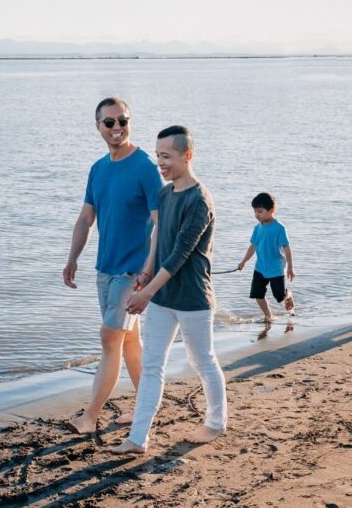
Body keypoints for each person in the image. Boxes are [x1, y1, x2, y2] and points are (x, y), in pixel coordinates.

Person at [111, 125, 227, 454]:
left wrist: (145, 294)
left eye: (166, 156)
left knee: (202, 360)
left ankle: (216, 423)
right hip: (162, 296)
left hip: (192, 298)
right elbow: (158, 239)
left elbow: (178, 255)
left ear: (187, 156)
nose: (160, 163)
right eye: (158, 155)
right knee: (151, 365)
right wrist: (145, 275)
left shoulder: (200, 200)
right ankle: (138, 439)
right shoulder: (164, 193)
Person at [63, 97, 161, 435]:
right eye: (110, 123)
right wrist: (73, 258)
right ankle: (145, 407)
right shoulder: (98, 169)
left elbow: (159, 222)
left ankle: (90, 416)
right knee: (129, 341)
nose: (117, 128)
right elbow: (86, 218)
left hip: (132, 272)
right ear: (99, 127)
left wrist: (148, 271)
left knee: (109, 339)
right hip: (105, 270)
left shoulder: (146, 167)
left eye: (123, 120)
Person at [236, 192, 296, 322]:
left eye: (260, 211)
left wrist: (290, 266)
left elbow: (286, 247)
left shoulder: (279, 228)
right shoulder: (257, 228)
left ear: (272, 210)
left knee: (279, 295)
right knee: (257, 294)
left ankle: (288, 295)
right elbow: (253, 247)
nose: (257, 215)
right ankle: (268, 315)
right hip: (260, 268)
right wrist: (243, 262)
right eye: (255, 212)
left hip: (276, 268)